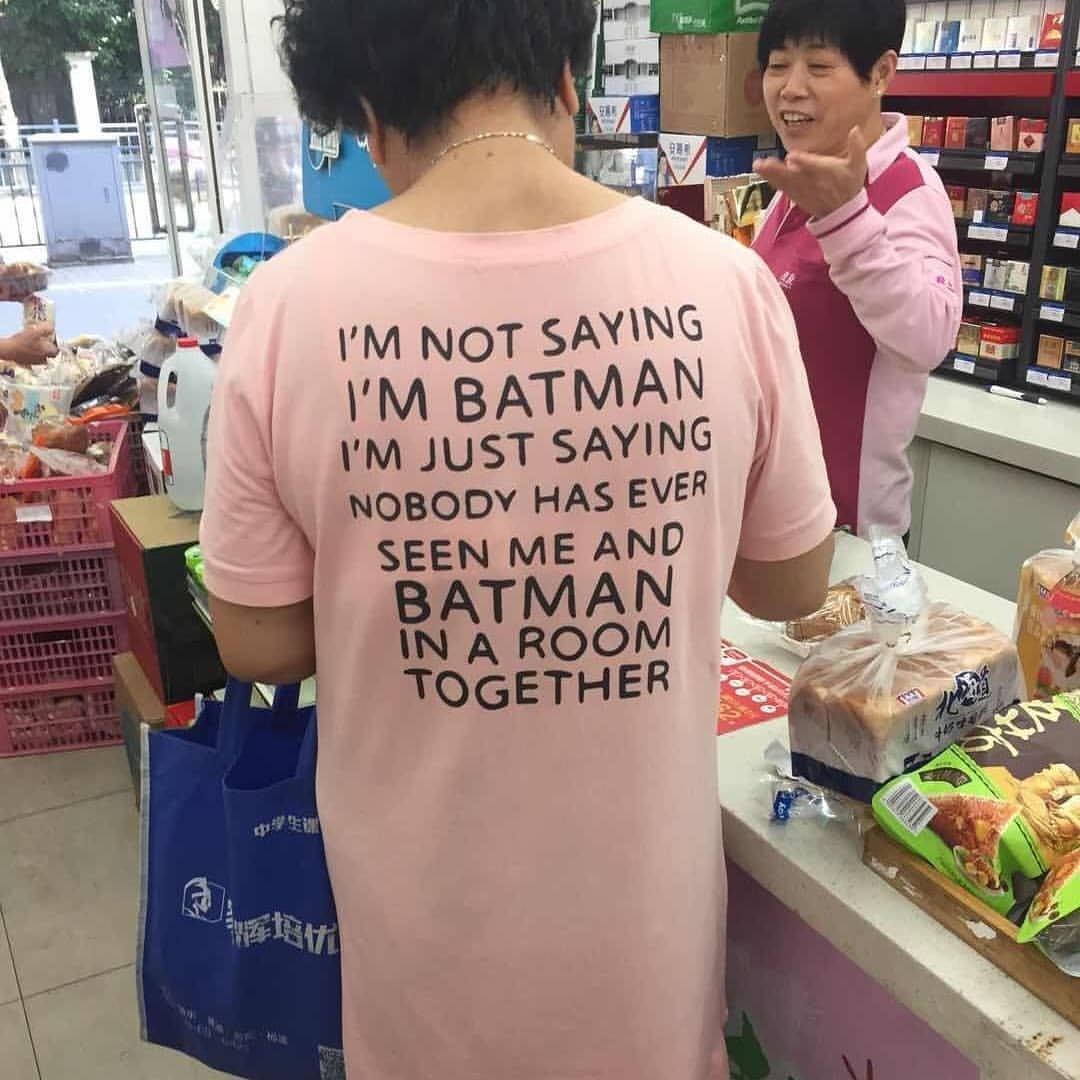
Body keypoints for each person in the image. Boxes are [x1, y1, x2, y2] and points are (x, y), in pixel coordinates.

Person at [199, 2, 836, 1076]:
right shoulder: (723, 284)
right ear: (569, 80)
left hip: (422, 938)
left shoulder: (286, 306)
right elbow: (791, 582)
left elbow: (257, 641)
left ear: (370, 116)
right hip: (641, 939)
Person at [753, 0, 962, 540]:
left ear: (881, 73)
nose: (791, 88)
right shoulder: (797, 179)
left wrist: (846, 220)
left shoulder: (909, 190)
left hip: (848, 528)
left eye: (819, 66)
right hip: (770, 508)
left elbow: (928, 338)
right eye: (778, 65)